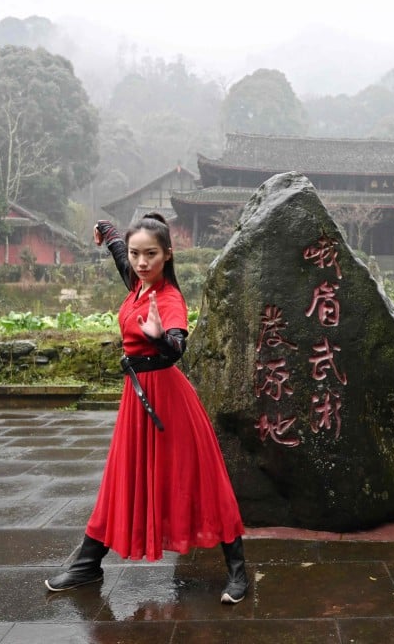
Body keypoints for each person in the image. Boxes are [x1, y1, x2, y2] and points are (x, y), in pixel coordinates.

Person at [44, 213, 249, 605]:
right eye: (136, 254)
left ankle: (238, 572)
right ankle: (88, 563)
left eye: (150, 254)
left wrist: (159, 338)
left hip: (169, 402)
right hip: (137, 400)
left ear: (167, 255)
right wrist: (105, 228)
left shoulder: (169, 299)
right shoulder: (136, 281)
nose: (140, 262)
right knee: (120, 477)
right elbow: (119, 251)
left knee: (203, 481)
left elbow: (176, 346)